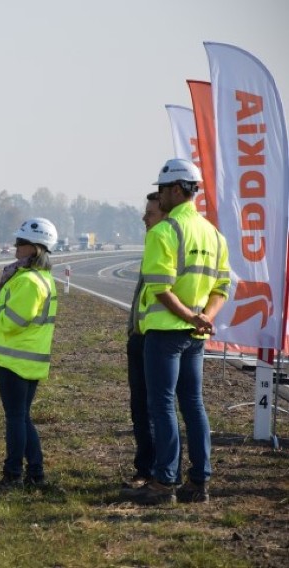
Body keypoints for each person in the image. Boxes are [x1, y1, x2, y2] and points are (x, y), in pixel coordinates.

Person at [130, 159, 230, 505]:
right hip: (195, 337)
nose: (159, 197)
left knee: (161, 405)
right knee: (193, 405)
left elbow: (160, 287)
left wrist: (189, 316)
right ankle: (200, 481)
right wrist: (204, 318)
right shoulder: (214, 235)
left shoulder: (164, 232)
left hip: (165, 333)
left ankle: (163, 483)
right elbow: (222, 287)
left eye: (161, 190)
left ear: (176, 190)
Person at [0, 217, 58, 492]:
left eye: (21, 242)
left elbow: (12, 321)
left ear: (35, 248)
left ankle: (13, 475)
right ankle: (35, 474)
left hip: (16, 360)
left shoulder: (28, 282)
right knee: (22, 417)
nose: (16, 246)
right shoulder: (42, 279)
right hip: (28, 359)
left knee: (15, 419)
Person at [121, 192, 177, 493]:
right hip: (140, 336)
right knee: (140, 408)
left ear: (165, 216)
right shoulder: (152, 245)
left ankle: (154, 471)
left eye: (150, 213)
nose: (144, 218)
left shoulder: (166, 244)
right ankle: (147, 467)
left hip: (158, 338)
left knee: (156, 408)